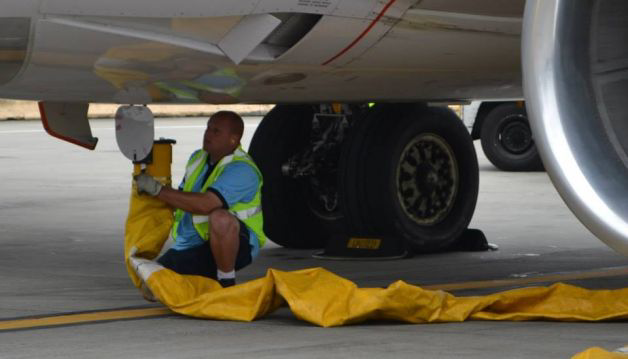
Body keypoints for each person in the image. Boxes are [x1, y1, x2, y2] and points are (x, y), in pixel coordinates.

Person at [135, 111, 266, 288]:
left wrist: (157, 189)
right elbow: (180, 198)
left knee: (220, 218)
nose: (208, 134)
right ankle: (206, 278)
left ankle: (226, 280)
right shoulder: (197, 158)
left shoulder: (242, 169)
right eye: (208, 128)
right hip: (193, 243)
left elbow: (206, 204)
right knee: (153, 284)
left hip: (238, 245)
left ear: (233, 140)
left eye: (216, 131)